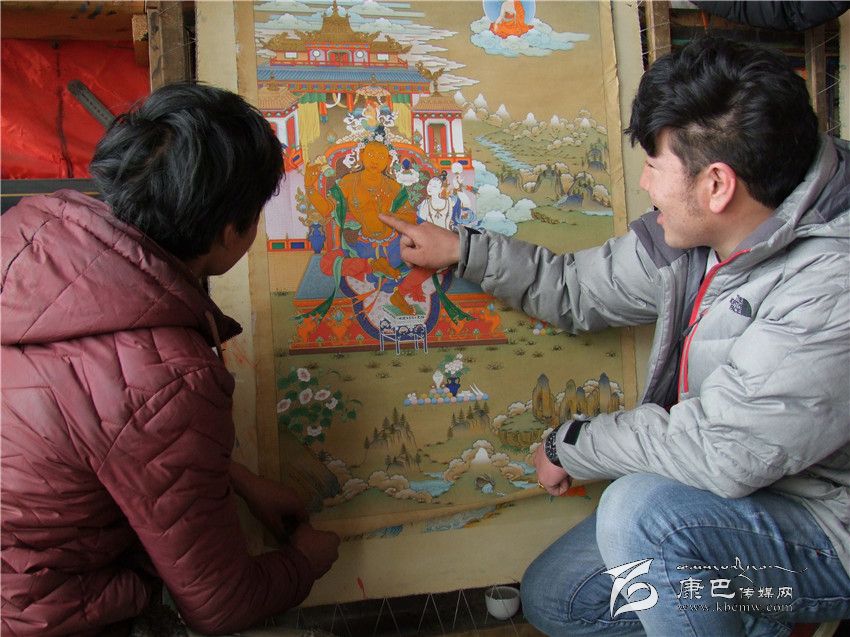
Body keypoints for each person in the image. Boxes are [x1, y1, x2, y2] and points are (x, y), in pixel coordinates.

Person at [380, 35, 850, 635]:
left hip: (826, 525)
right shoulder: (704, 232)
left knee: (639, 511)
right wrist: (462, 251)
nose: (646, 184)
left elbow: (724, 450)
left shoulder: (832, 282)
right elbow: (578, 289)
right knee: (558, 600)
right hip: (733, 492)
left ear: (717, 185)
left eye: (655, 166)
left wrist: (568, 446)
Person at [1, 83, 340, 636]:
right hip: (39, 612)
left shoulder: (31, 233)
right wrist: (306, 561)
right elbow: (220, 606)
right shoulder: (172, 375)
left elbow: (104, 419)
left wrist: (237, 479)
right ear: (230, 233)